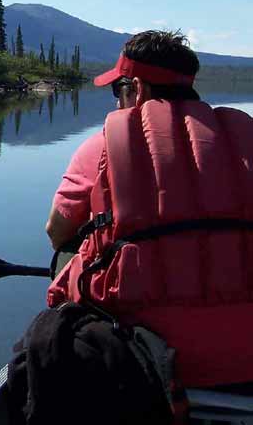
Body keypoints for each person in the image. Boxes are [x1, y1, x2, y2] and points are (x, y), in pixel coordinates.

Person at [46, 30, 253, 390]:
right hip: (247, 354)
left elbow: (56, 231)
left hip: (135, 356)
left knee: (67, 249)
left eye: (117, 90)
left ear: (136, 89)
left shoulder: (101, 147)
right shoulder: (244, 144)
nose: (115, 103)